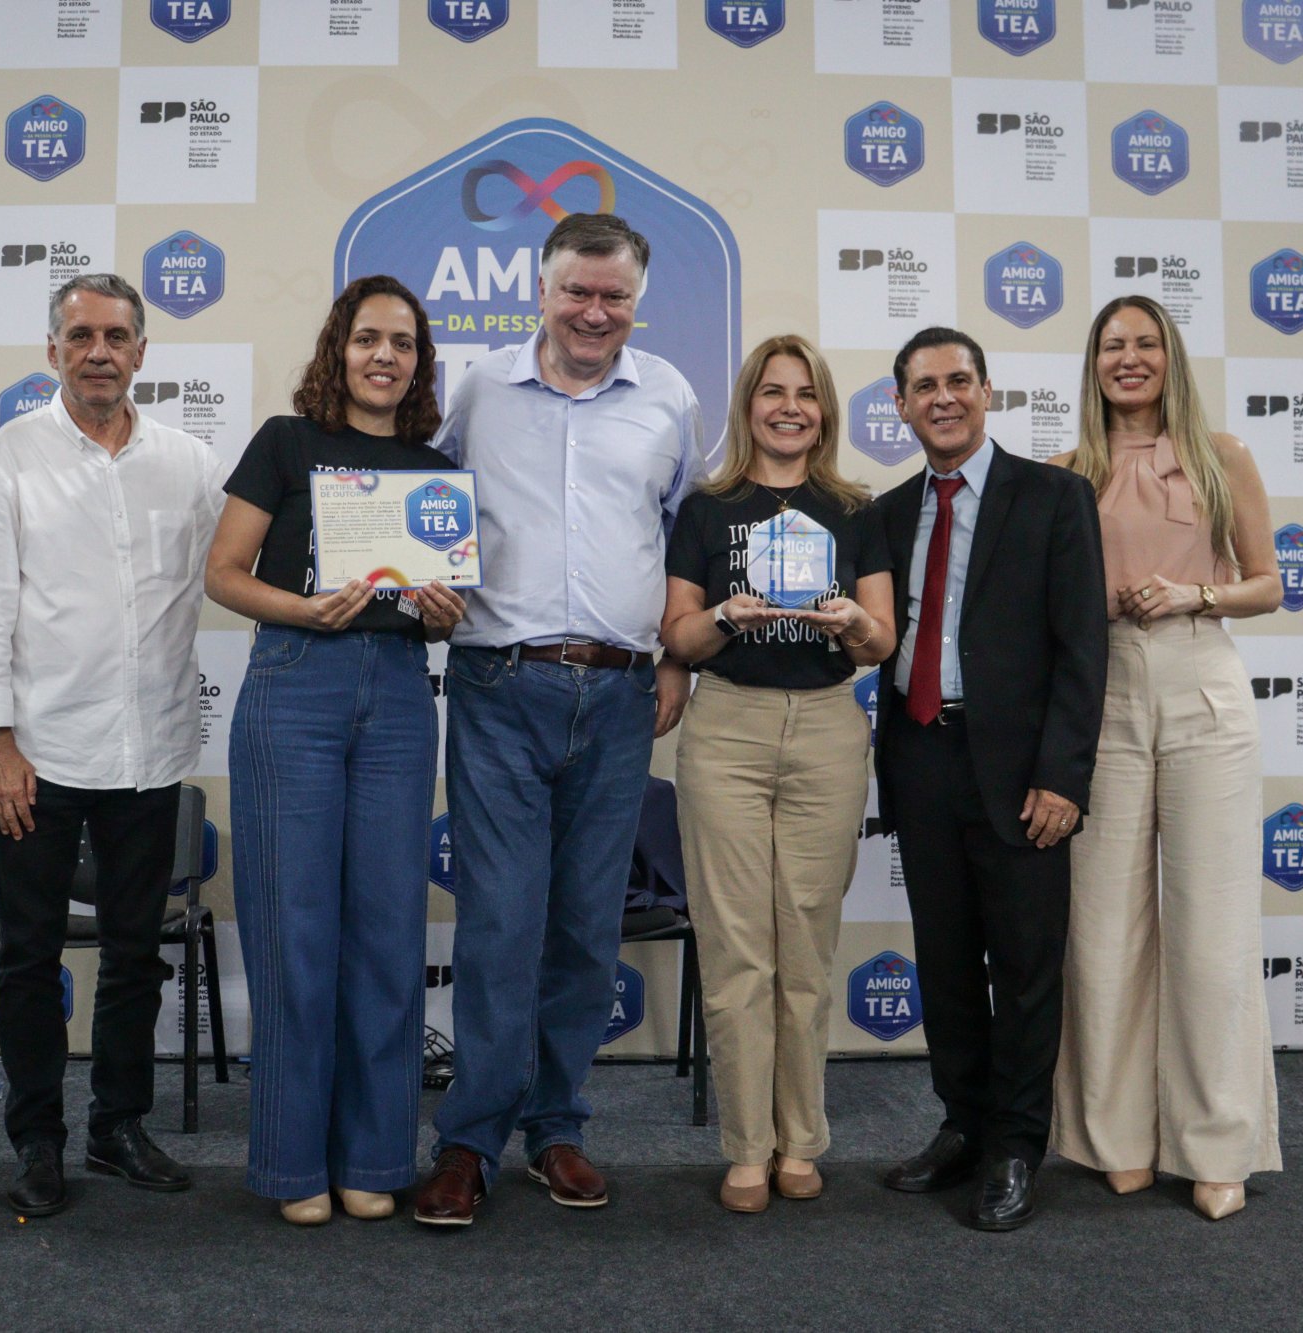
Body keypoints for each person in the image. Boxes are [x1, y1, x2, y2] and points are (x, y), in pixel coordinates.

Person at [412, 212, 703, 1227]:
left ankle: (556, 1128)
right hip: (500, 686)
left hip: (622, 695)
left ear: (636, 301)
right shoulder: (476, 389)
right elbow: (421, 503)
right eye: (576, 290)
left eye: (613, 296)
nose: (593, 311)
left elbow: (682, 539)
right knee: (499, 923)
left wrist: (676, 657)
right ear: (540, 290)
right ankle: (467, 1141)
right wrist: (419, 586)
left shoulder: (668, 396)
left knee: (584, 927)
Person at [0, 273, 224, 1218]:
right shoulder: (8, 459)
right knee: (29, 958)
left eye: (116, 336)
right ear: (52, 351)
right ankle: (37, 1139)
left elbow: (236, 568)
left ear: (142, 351)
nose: (99, 352)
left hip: (150, 750)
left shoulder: (191, 464)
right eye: (80, 337)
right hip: (37, 756)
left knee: (134, 954)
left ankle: (117, 1125)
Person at [206, 275, 466, 1225]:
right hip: (295, 681)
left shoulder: (433, 469)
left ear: (419, 362)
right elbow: (223, 573)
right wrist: (305, 608)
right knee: (294, 932)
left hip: (398, 691)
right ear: (338, 349)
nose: (384, 356)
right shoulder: (286, 442)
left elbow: (443, 603)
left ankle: (373, 1155)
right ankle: (290, 1163)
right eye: (367, 339)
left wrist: (444, 613)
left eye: (403, 342)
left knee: (390, 934)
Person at [1047, 295, 1284, 1221]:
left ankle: (1218, 1145)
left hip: (1202, 684)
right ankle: (1118, 1138)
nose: (1130, 358)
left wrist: (1193, 593)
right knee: (1103, 926)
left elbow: (1268, 584)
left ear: (1169, 356)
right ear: (1094, 363)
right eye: (1113, 345)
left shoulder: (1223, 455)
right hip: (1099, 693)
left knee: (1212, 928)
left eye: (1146, 342)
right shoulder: (1067, 471)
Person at [872, 326, 1107, 1231]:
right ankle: (964, 1125)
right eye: (925, 386)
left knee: (1025, 963)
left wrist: (1064, 776)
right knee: (945, 961)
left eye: (959, 380)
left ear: (987, 390)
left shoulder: (1054, 497)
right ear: (900, 405)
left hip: (1020, 772)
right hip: (921, 755)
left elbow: (1083, 648)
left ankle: (1016, 1143)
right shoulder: (890, 511)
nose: (944, 398)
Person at [659, 335, 895, 1213]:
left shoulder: (855, 509)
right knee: (735, 951)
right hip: (727, 727)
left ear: (824, 411)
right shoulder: (706, 510)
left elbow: (882, 641)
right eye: (772, 392)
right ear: (748, 405)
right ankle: (747, 1147)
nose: (788, 408)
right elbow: (678, 637)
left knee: (805, 946)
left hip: (828, 729)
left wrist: (851, 624)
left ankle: (802, 1139)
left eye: (805, 394)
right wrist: (725, 614)